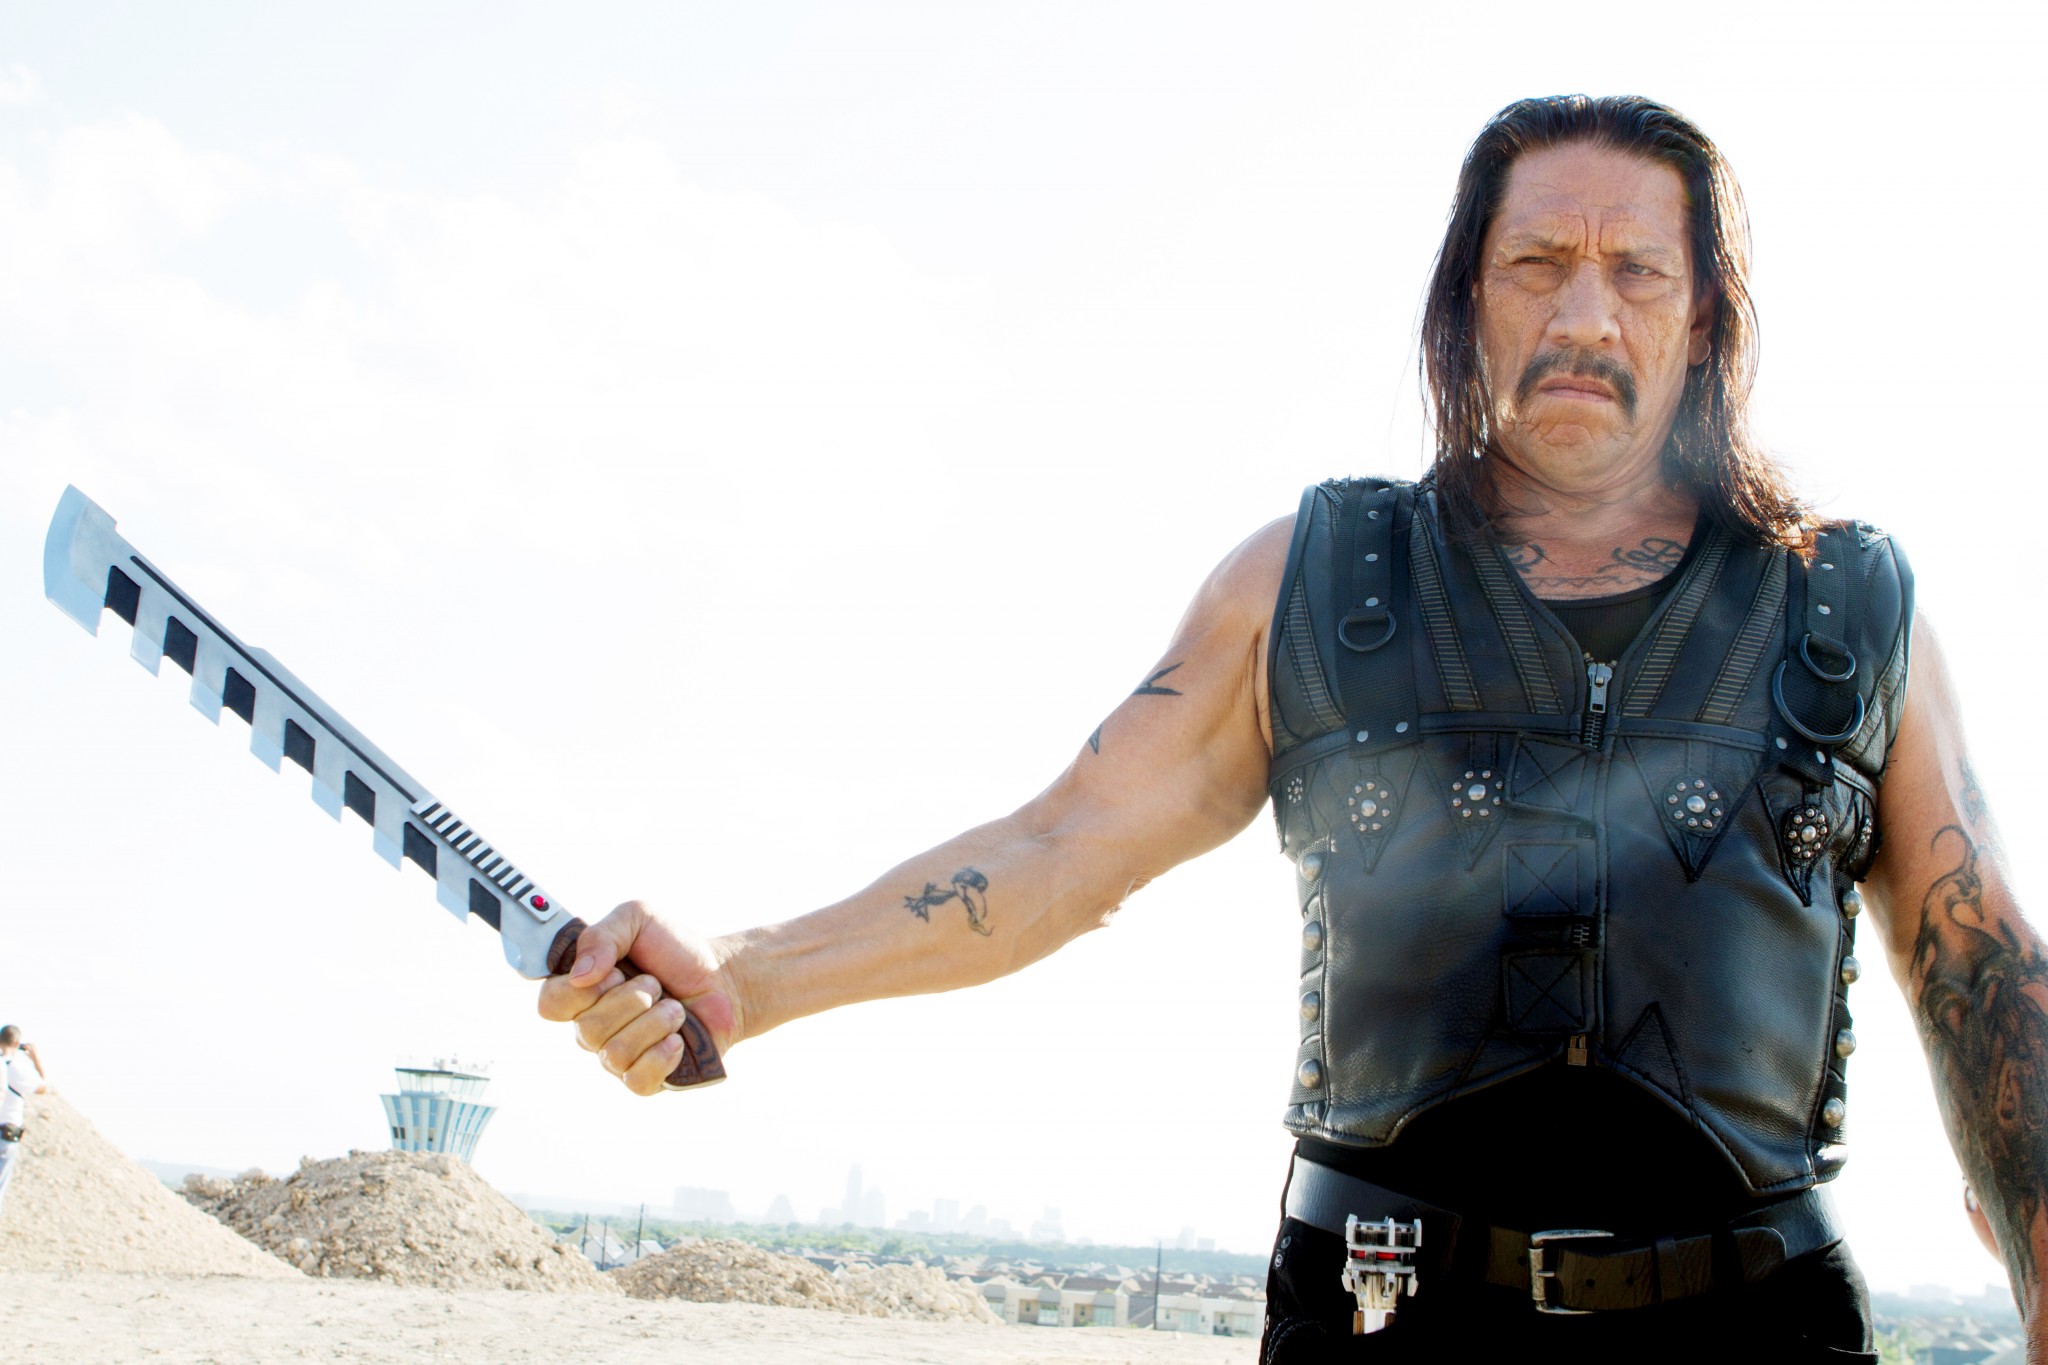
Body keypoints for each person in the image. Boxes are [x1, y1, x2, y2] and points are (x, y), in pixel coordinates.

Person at [536, 95, 2048, 1362]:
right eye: (1535, 263)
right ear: (1465, 300)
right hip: (1385, 1318)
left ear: (1703, 315)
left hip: (1757, 1325)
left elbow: (1977, 968)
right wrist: (746, 975)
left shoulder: (1848, 604)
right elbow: (1062, 847)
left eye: (1637, 272)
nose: (1583, 313)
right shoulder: (1314, 582)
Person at [0, 1025, 49, 1220]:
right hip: (7, 1134)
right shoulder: (16, 1068)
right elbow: (43, 1087)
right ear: (17, 1043)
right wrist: (35, 1059)